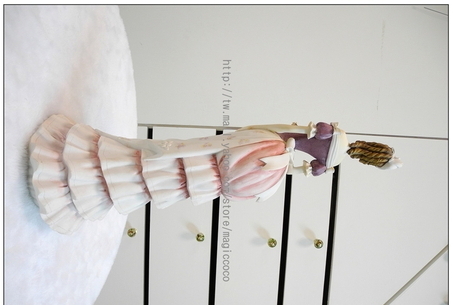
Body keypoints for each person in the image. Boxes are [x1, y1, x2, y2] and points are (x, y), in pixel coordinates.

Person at [28, 115, 402, 235]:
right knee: (141, 178)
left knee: (140, 168)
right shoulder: (275, 171)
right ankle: (78, 184)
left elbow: (215, 144)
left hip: (192, 166)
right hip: (196, 181)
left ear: (321, 136)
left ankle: (72, 176)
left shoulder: (269, 148)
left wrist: (172, 148)